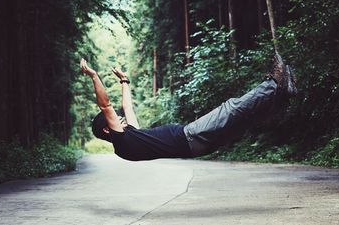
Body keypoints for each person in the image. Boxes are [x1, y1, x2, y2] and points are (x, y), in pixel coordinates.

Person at [80, 52, 297, 161]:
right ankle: (274, 84)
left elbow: (127, 108)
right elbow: (105, 105)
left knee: (242, 119)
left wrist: (125, 81)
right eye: (114, 119)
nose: (120, 117)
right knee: (230, 108)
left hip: (193, 145)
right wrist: (93, 75)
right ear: (107, 129)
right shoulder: (121, 141)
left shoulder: (129, 137)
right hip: (189, 137)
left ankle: (282, 96)